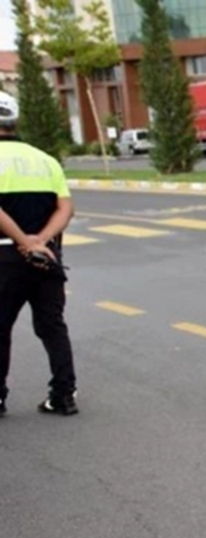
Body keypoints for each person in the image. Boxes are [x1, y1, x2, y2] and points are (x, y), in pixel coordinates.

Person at [0, 91, 78, 418]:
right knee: (52, 327)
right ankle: (63, 396)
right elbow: (66, 207)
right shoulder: (45, 160)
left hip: (4, 258)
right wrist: (41, 240)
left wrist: (22, 240)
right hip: (47, 257)